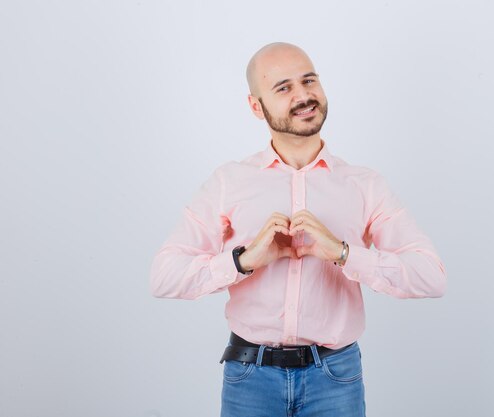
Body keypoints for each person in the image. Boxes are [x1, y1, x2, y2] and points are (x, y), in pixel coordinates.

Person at [150, 42, 447, 417]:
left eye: (309, 80)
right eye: (283, 87)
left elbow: (432, 277)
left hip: (335, 378)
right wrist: (243, 261)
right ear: (256, 107)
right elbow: (163, 276)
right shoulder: (229, 181)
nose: (303, 95)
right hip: (249, 377)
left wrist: (342, 253)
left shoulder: (364, 185)